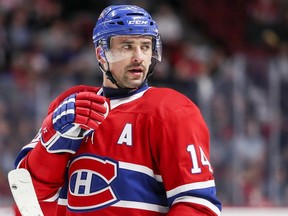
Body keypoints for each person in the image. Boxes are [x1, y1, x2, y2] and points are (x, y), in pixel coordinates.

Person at [13, 5, 222, 216]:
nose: (138, 57)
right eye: (127, 46)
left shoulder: (170, 111)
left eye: (145, 46)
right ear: (101, 53)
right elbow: (26, 204)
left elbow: (198, 206)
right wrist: (50, 147)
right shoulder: (72, 106)